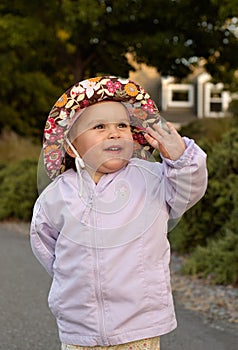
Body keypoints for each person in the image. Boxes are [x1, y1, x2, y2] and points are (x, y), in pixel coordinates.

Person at [30, 76, 208, 350]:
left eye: (122, 125)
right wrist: (73, 279)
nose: (114, 133)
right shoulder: (56, 197)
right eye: (99, 126)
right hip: (80, 325)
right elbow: (47, 247)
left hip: (139, 324)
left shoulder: (151, 180)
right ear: (70, 145)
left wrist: (180, 159)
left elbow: (188, 191)